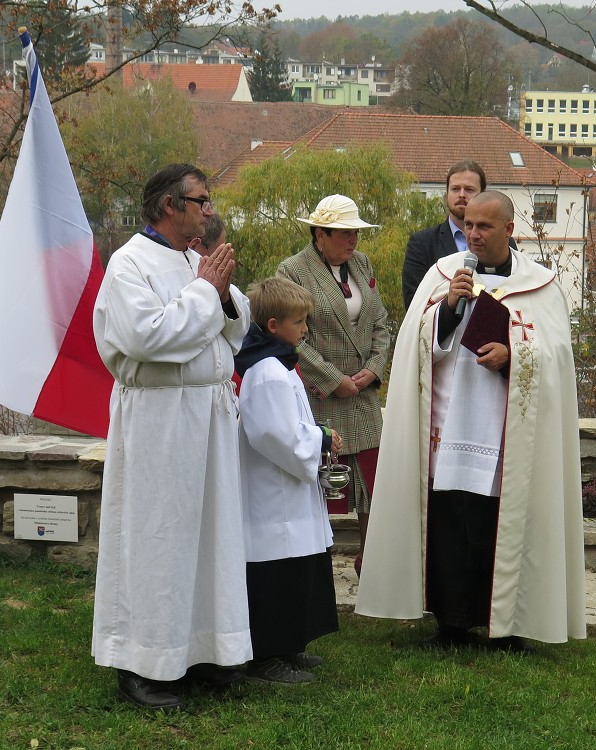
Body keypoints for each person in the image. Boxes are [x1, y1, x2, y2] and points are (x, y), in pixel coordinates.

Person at [356, 190, 586, 652]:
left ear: (509, 229)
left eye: (484, 226)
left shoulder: (541, 285)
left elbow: (559, 356)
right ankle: (451, 625)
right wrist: (445, 311)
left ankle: (506, 627)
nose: (474, 235)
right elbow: (416, 342)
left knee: (496, 525)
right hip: (449, 424)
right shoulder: (444, 275)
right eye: (468, 225)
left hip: (508, 434)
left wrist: (513, 356)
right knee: (451, 525)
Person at [91, 163, 252, 712]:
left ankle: (206, 648)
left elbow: (234, 329)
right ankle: (146, 661)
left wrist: (223, 295)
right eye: (201, 201)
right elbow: (147, 338)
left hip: (208, 410)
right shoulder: (129, 263)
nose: (210, 210)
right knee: (159, 536)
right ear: (169, 206)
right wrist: (208, 292)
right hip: (161, 415)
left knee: (210, 536)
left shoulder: (193, 260)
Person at [234, 277, 342, 685]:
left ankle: (290, 644)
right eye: (300, 322)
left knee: (297, 568)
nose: (307, 329)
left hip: (289, 490)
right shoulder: (266, 372)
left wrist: (313, 436)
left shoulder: (279, 364)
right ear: (274, 325)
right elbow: (273, 434)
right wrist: (321, 438)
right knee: (275, 573)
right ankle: (266, 656)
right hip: (271, 494)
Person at [277, 195, 390, 578]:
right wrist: (332, 380)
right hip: (323, 395)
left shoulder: (363, 264)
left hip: (364, 394)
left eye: (355, 232)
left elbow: (380, 324)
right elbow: (291, 338)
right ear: (319, 234)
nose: (353, 239)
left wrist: (373, 369)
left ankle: (371, 565)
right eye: (343, 233)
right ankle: (316, 569)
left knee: (374, 485)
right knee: (327, 484)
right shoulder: (292, 271)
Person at [401, 160, 487, 310]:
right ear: (447, 194)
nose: (461, 195)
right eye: (455, 189)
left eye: (469, 189)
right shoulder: (422, 243)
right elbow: (413, 304)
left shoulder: (502, 243)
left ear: (483, 195)